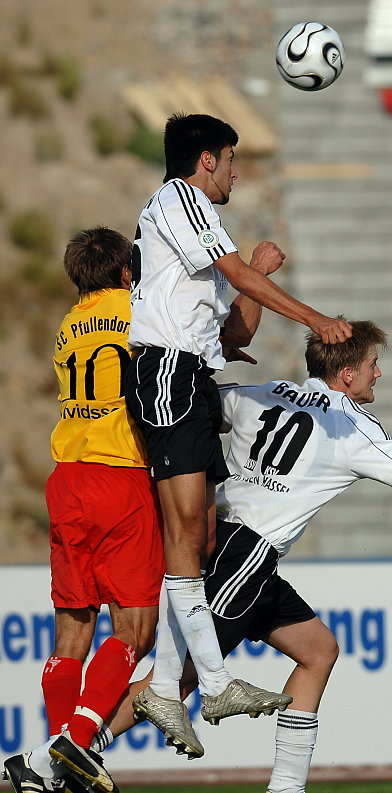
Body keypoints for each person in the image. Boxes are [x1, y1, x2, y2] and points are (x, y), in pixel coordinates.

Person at [104, 320, 392, 793]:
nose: (377, 374)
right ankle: (75, 751)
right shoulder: (352, 427)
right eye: (371, 365)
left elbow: (197, 407)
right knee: (178, 678)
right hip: (246, 554)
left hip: (232, 543)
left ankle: (286, 787)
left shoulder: (264, 392)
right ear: (346, 373)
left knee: (318, 650)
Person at [124, 113, 353, 749]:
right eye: (229, 159)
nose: (234, 171)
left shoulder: (192, 229)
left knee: (194, 535)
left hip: (188, 375)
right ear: (204, 161)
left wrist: (253, 268)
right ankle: (215, 682)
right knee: (186, 530)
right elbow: (235, 276)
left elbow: (236, 328)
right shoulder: (180, 199)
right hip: (167, 372)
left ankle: (169, 689)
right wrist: (313, 318)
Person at [3, 227, 165, 793]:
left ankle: (53, 770)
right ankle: (69, 746)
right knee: (135, 631)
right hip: (119, 474)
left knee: (72, 631)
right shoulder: (137, 305)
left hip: (67, 478)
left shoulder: (70, 327)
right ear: (126, 273)